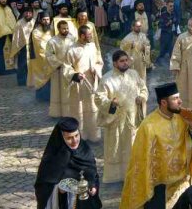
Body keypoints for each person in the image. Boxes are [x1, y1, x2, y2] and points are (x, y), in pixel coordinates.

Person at [95, 50, 148, 183]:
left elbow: (143, 88)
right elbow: (98, 98)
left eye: (126, 60)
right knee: (116, 147)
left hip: (133, 119)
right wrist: (110, 103)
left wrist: (142, 97)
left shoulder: (134, 74)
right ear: (114, 63)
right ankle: (116, 176)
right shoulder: (107, 79)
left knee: (132, 146)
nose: (125, 63)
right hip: (115, 121)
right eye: (122, 61)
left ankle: (132, 174)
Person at [58, 24, 103, 142]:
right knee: (79, 109)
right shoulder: (72, 49)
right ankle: (81, 137)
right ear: (82, 36)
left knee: (92, 108)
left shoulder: (93, 46)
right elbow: (66, 67)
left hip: (92, 83)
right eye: (89, 35)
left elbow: (99, 61)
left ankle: (94, 136)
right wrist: (75, 75)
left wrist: (96, 69)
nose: (91, 37)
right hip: (78, 85)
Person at [44, 18, 76, 117]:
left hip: (70, 69)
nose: (66, 30)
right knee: (58, 92)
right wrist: (59, 64)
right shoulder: (52, 41)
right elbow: (49, 55)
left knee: (69, 92)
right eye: (63, 28)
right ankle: (57, 113)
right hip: (58, 70)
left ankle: (70, 113)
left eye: (67, 28)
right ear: (58, 29)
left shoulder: (72, 39)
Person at [29, 12, 54, 103]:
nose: (46, 21)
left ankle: (51, 97)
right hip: (40, 59)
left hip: (51, 58)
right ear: (40, 20)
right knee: (41, 77)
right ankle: (41, 97)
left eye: (48, 19)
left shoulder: (52, 30)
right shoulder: (36, 32)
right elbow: (40, 46)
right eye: (44, 19)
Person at [7, 7, 36, 87]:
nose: (28, 14)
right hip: (22, 47)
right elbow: (16, 37)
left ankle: (31, 80)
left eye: (30, 13)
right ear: (23, 14)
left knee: (32, 64)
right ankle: (22, 81)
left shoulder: (34, 22)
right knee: (22, 64)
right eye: (26, 13)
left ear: (32, 14)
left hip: (33, 47)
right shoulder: (19, 23)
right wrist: (17, 48)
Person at [0, 0, 17, 75]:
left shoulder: (9, 8)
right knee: (0, 52)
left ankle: (12, 68)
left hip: (10, 34)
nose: (4, 0)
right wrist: (1, 31)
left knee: (11, 51)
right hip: (0, 35)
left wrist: (13, 31)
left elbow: (12, 20)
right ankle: (2, 70)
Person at [121, 19, 152, 84]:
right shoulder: (127, 37)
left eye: (140, 26)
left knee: (142, 78)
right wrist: (130, 45)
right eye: (137, 26)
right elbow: (122, 48)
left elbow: (148, 45)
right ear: (133, 27)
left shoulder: (143, 36)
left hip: (141, 61)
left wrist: (145, 48)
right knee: (133, 79)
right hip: (132, 62)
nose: (139, 28)